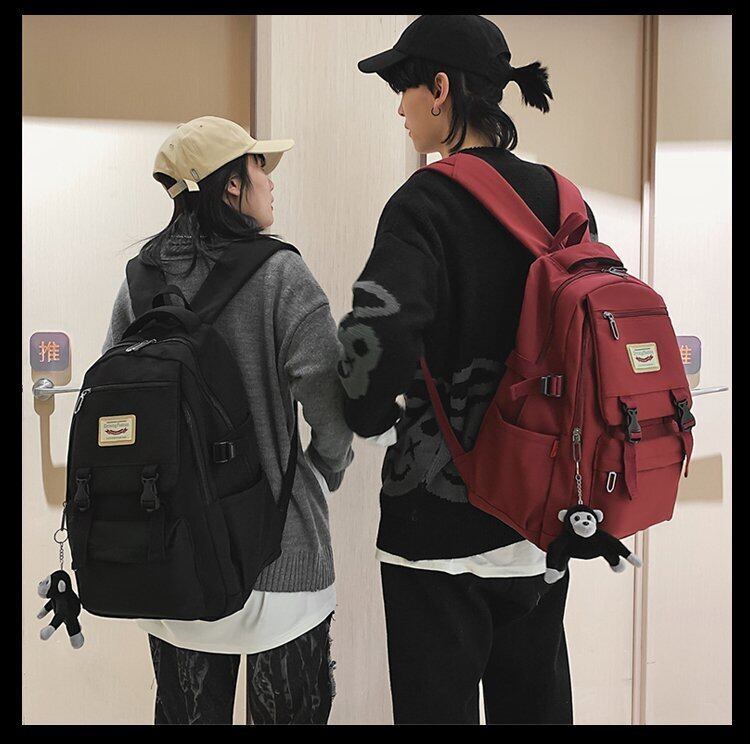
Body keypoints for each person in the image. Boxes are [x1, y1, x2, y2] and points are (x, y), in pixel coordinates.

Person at [338, 16, 598, 724]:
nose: (399, 108)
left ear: (440, 89)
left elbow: (378, 334)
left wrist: (365, 414)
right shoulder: (564, 199)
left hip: (439, 519)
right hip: (542, 515)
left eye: (403, 88)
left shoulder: (424, 201)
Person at [103, 116, 353, 725]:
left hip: (176, 561)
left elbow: (116, 403)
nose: (271, 180)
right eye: (259, 166)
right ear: (231, 185)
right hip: (281, 562)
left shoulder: (141, 282)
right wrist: (325, 467)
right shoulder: (280, 274)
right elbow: (328, 397)